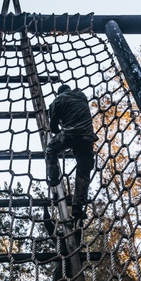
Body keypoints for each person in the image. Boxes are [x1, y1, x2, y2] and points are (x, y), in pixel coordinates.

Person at [45, 84, 96, 220]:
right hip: (87, 136)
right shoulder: (82, 95)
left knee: (51, 149)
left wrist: (57, 122)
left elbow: (53, 127)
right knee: (83, 171)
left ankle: (54, 178)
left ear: (59, 93)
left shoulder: (57, 101)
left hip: (71, 134)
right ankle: (78, 206)